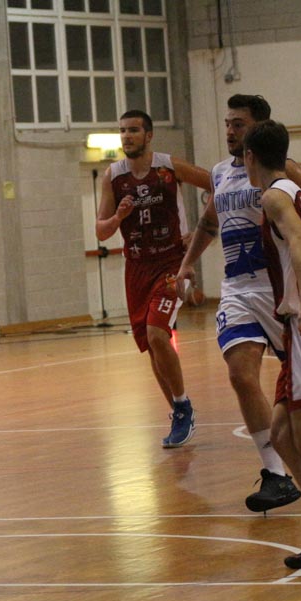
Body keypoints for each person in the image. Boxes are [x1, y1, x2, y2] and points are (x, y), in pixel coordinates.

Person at [177, 95, 301, 511]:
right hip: (237, 289)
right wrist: (187, 265)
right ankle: (275, 474)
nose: (230, 131)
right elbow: (208, 223)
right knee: (240, 374)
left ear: (258, 128)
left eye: (238, 124)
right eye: (227, 123)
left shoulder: (285, 172)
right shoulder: (220, 173)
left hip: (280, 290)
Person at [95, 110, 212, 448]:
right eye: (122, 131)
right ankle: (178, 410)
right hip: (136, 268)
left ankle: (183, 407)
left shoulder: (168, 167)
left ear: (148, 135)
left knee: (157, 334)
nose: (126, 136)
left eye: (133, 130)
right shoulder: (113, 176)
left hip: (171, 263)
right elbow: (101, 231)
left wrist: (201, 232)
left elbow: (217, 185)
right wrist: (119, 216)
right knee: (152, 346)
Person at [241, 120, 301, 568]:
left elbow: (299, 242)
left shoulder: (276, 196)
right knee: (282, 436)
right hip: (300, 326)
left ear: (250, 157)